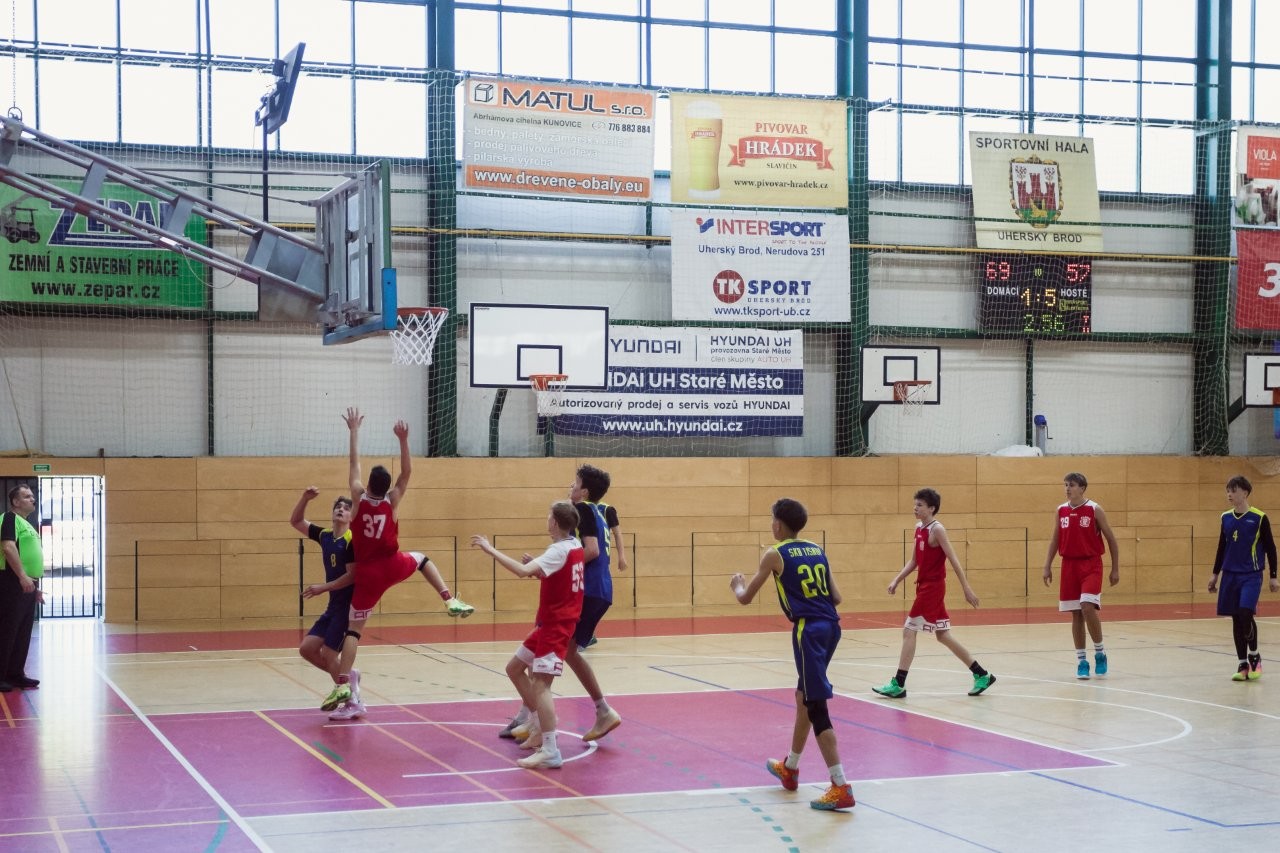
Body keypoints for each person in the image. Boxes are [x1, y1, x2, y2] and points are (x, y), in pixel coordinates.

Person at [320, 408, 475, 712]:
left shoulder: (357, 496)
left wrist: (354, 430)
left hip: (367, 573)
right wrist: (403, 440)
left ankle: (342, 684)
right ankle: (449, 599)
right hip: (392, 564)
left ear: (368, 485)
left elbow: (353, 464)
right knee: (423, 559)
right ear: (386, 486)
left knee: (353, 631)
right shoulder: (392, 501)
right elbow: (406, 474)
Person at [730, 498, 855, 812]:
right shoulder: (816, 549)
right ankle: (791, 767)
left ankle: (840, 785)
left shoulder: (774, 554)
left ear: (777, 524)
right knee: (803, 697)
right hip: (831, 628)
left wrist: (737, 586)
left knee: (815, 705)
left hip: (808, 631)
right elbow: (837, 597)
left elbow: (745, 599)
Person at [500, 464, 623, 744]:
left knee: (548, 646)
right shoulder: (597, 511)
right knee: (562, 649)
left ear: (584, 491)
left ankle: (538, 722)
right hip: (597, 589)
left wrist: (557, 566)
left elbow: (591, 550)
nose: (570, 486)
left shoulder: (585, 510)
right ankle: (543, 716)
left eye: (575, 483)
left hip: (588, 589)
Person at [472, 500, 585, 770]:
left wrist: (490, 549)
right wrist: (539, 571)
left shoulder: (558, 550)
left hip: (556, 625)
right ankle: (537, 726)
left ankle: (551, 749)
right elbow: (559, 576)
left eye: (548, 516)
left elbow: (522, 572)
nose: (547, 519)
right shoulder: (574, 545)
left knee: (541, 685)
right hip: (549, 623)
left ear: (554, 522)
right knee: (514, 668)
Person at [871, 488, 995, 699]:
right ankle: (982, 674)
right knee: (943, 635)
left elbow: (954, 560)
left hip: (933, 588)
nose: (915, 508)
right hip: (924, 586)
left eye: (920, 505)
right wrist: (896, 579)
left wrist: (966, 588)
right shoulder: (919, 528)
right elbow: (914, 561)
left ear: (931, 508)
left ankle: (898, 683)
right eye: (915, 504)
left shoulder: (937, 530)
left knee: (909, 630)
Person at [1043, 472, 1120, 679]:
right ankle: (1082, 661)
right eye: (1066, 485)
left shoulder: (1094, 509)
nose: (1068, 488)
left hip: (1091, 564)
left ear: (1082, 488)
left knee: (1087, 606)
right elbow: (1055, 540)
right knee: (1076, 613)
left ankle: (1100, 653)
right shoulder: (1061, 510)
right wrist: (1047, 565)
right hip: (1069, 565)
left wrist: (1115, 569)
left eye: (1072, 485)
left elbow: (1112, 540)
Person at [293, 488, 361, 719]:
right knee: (307, 649)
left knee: (330, 654)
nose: (341, 509)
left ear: (351, 516)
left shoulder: (351, 540)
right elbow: (296, 521)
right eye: (337, 507)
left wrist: (323, 587)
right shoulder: (325, 536)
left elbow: (352, 576)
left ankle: (353, 702)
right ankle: (349, 676)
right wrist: (305, 499)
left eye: (346, 508)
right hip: (333, 605)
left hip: (349, 606)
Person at [1207, 475, 1278, 681]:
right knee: (1236, 618)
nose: (1229, 494)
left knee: (1246, 612)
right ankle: (1242, 664)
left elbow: (1271, 548)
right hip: (1230, 574)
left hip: (1251, 575)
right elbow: (1222, 547)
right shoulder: (1225, 518)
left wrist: (1273, 576)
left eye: (1234, 490)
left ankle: (1254, 657)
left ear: (1245, 493)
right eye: (1228, 490)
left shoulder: (1259, 518)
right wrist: (1215, 574)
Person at [0, 484, 44, 692]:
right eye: (27, 497)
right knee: (7, 630)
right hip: (11, 582)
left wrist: (34, 586)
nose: (32, 499)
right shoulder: (9, 519)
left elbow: (29, 555)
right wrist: (22, 576)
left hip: (26, 584)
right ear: (15, 502)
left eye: (32, 496)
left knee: (22, 632)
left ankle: (15, 674)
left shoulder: (27, 523)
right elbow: (8, 547)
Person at [583, 497, 628, 649]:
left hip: (598, 561)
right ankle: (586, 634)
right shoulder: (581, 508)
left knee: (591, 598)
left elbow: (617, 533)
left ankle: (587, 634)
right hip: (587, 560)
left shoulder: (606, 509)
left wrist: (621, 556)